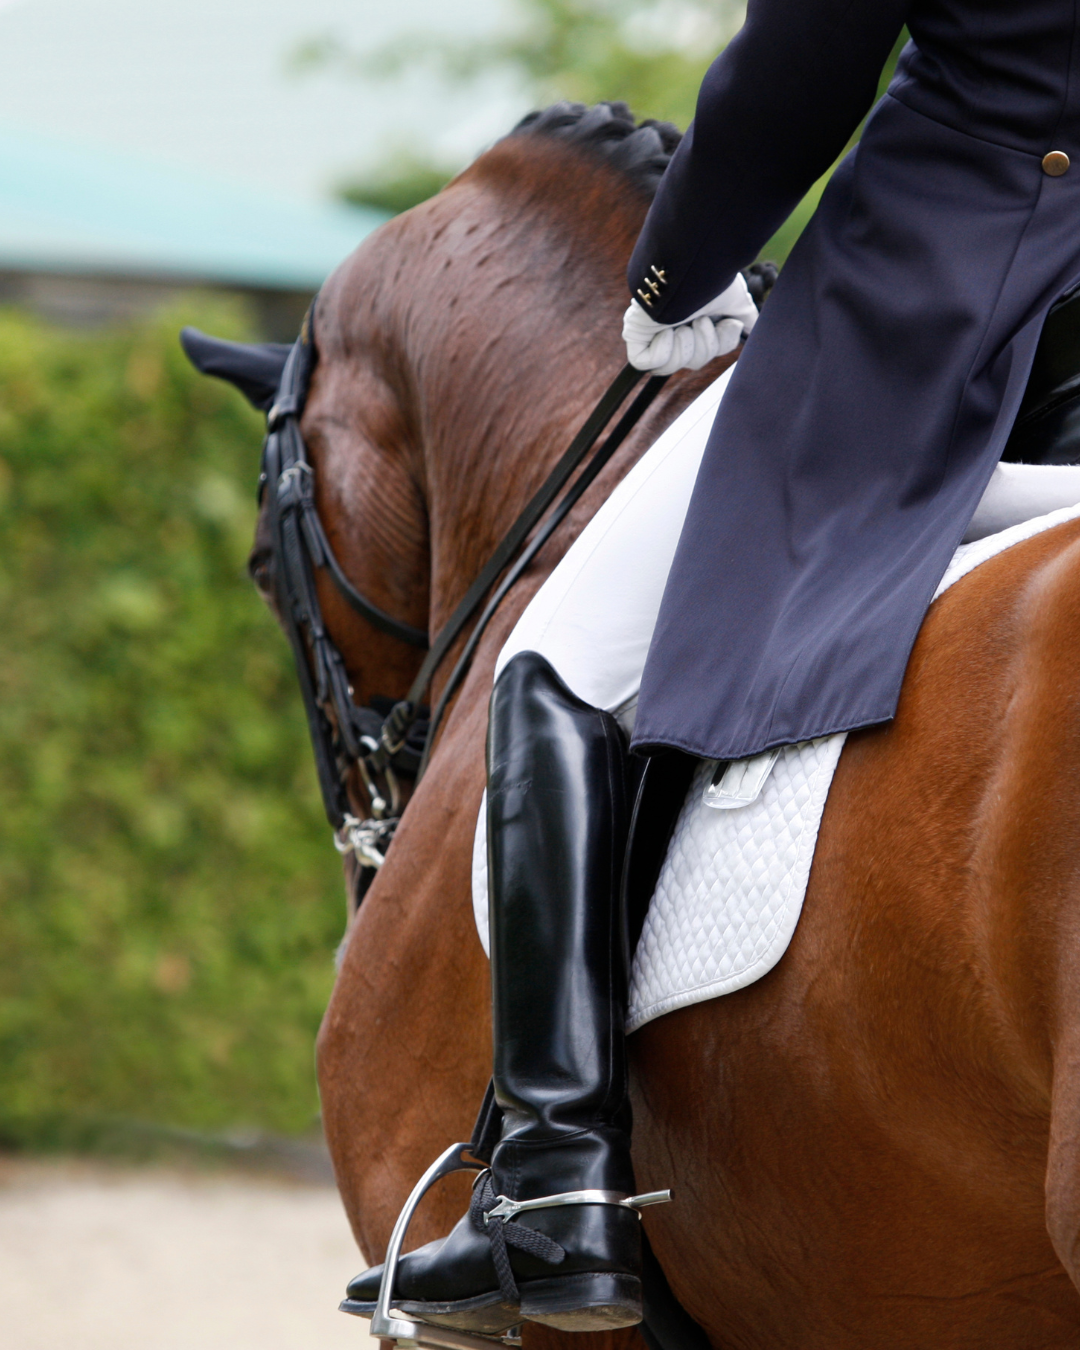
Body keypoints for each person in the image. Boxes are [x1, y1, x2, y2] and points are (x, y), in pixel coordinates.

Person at [345, 0, 1080, 1332]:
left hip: (954, 306)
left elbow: (801, 65)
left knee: (558, 661)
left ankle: (554, 1184)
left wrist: (678, 273)